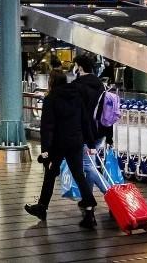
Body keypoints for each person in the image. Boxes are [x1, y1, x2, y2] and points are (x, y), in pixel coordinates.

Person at [25, 69, 98, 228]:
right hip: (75, 141)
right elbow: (85, 121)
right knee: (79, 175)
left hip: (58, 144)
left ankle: (42, 208)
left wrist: (45, 149)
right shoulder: (77, 96)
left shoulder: (51, 99)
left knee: (50, 174)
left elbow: (47, 127)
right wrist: (91, 144)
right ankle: (90, 213)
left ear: (51, 82)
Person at [73, 54, 109, 196]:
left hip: (85, 132)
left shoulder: (78, 85)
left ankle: (111, 194)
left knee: (88, 166)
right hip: (100, 131)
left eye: (75, 65)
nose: (74, 68)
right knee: (90, 164)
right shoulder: (100, 84)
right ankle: (87, 200)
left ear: (80, 67)